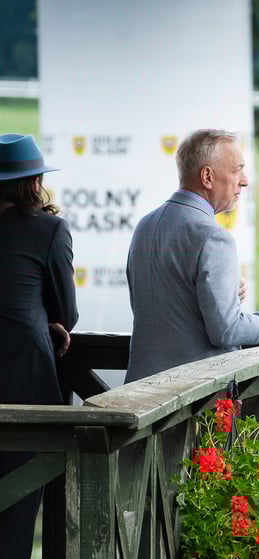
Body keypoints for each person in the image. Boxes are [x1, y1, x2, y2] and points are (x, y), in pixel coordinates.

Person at [125, 129, 259, 382]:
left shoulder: (145, 225)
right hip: (191, 394)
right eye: (236, 170)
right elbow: (227, 331)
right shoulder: (214, 237)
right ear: (207, 177)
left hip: (138, 387)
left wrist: (224, 293)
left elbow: (167, 308)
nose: (244, 181)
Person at [0, 133, 78, 559]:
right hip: (25, 389)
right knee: (16, 516)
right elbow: (68, 312)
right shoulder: (49, 229)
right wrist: (51, 325)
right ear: (35, 182)